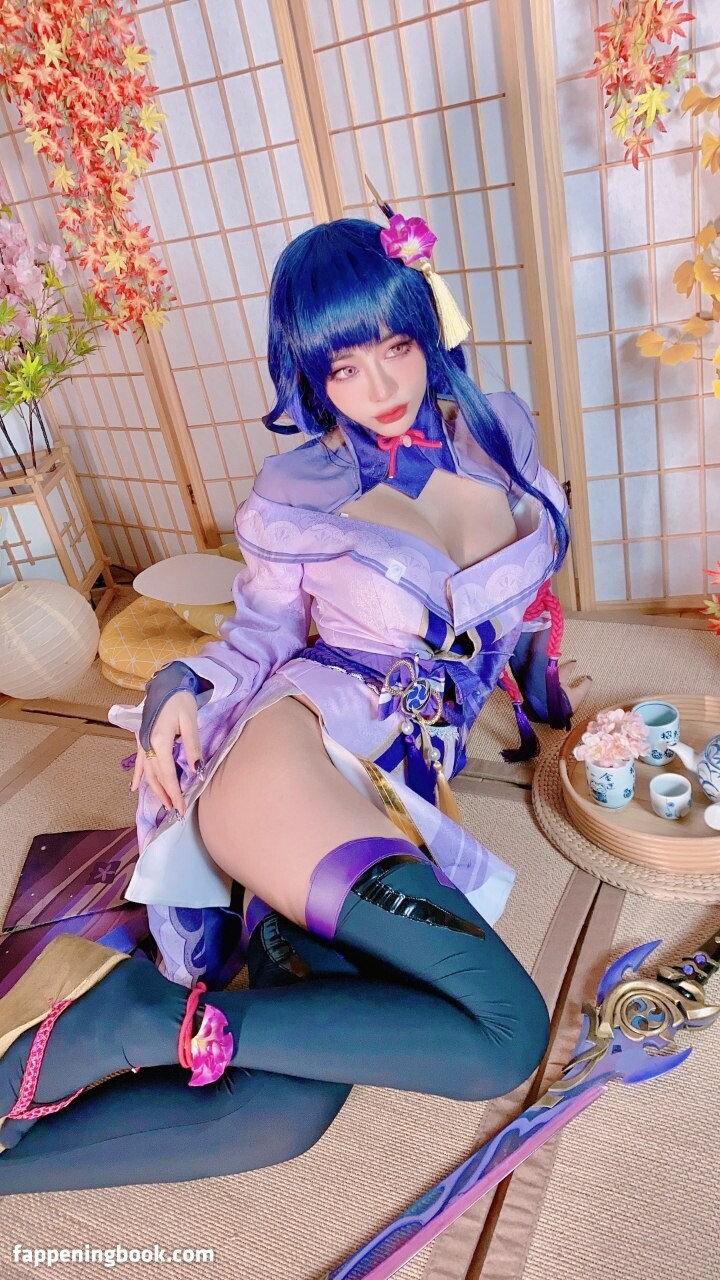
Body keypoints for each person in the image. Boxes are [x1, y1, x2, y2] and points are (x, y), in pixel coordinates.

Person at [0, 211, 590, 1194]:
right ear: (310, 373)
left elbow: (522, 608)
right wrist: (181, 684)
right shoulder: (295, 490)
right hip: (295, 751)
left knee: (276, 1114)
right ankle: (128, 1020)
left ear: (430, 326)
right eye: (344, 367)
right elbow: (262, 632)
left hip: (387, 791)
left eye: (396, 347)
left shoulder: (502, 431)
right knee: (506, 1033)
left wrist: (548, 699)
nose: (382, 387)